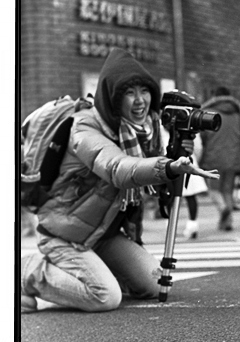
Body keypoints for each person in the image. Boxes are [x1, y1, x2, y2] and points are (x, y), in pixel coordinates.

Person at [20, 48, 218, 313]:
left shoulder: (144, 131)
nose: (140, 101)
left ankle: (96, 269)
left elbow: (152, 181)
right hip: (64, 234)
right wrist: (167, 167)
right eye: (129, 92)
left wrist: (177, 157)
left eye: (144, 91)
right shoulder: (84, 127)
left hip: (104, 234)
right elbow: (118, 169)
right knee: (104, 297)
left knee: (155, 284)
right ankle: (27, 273)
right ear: (112, 97)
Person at [200, 87, 240, 232]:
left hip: (214, 157)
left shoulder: (208, 113)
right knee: (227, 191)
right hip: (234, 157)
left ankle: (223, 208)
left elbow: (203, 137)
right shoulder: (237, 114)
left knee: (214, 190)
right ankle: (228, 222)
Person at [160, 126, 208, 240]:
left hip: (168, 164)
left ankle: (171, 224)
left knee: (170, 195)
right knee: (190, 196)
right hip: (186, 162)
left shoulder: (160, 128)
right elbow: (198, 147)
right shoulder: (187, 125)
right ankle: (192, 224)